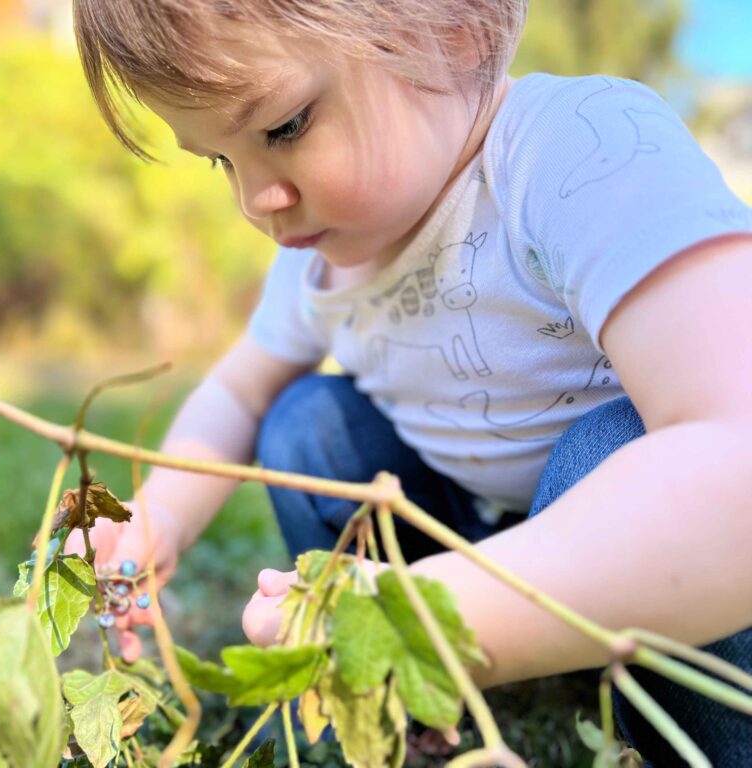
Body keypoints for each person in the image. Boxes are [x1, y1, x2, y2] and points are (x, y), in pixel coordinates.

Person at [68, 0, 752, 762]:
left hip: (686, 570)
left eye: (285, 127)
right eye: (222, 161)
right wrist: (159, 518)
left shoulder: (576, 153)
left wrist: (412, 613)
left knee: (603, 451)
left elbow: (736, 461)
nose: (255, 202)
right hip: (487, 533)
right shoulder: (313, 264)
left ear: (451, 36)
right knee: (308, 424)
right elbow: (239, 391)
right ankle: (411, 687)